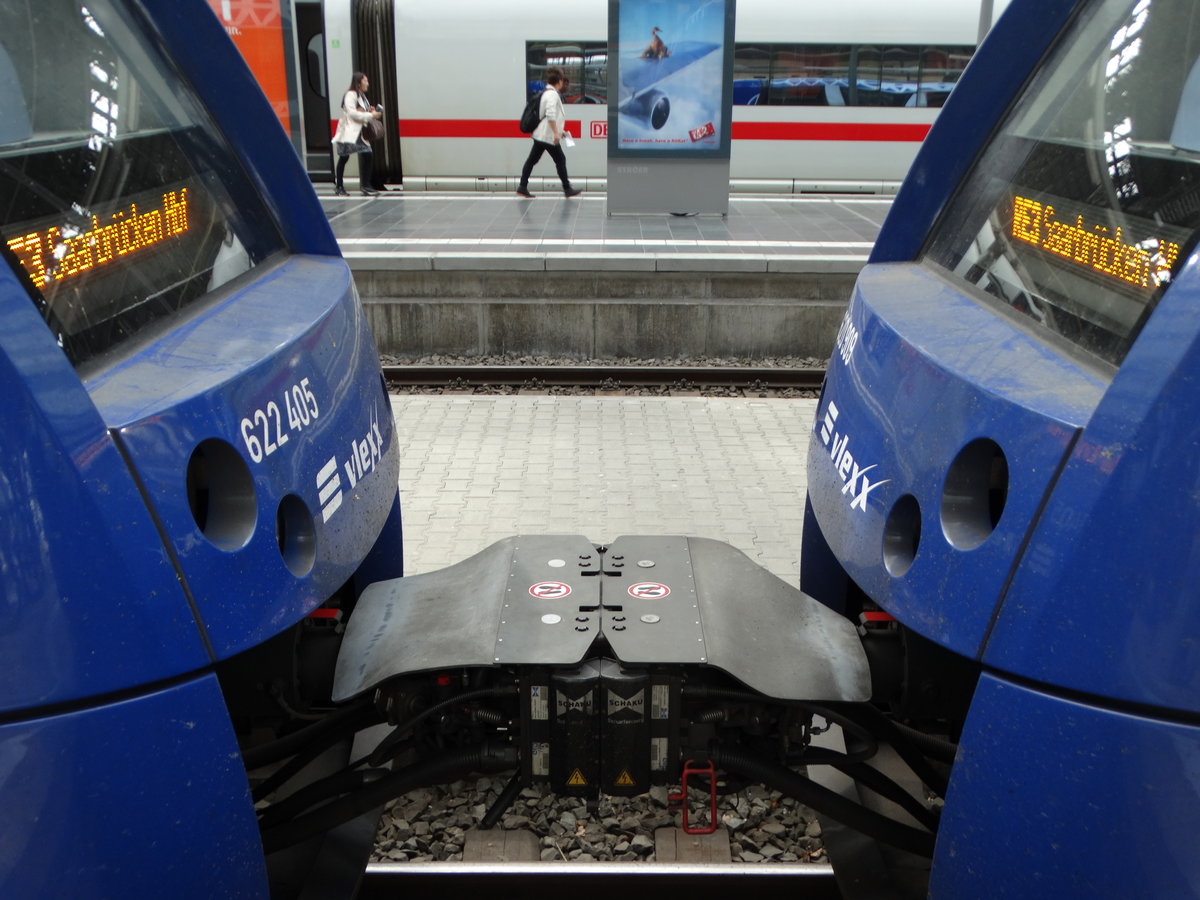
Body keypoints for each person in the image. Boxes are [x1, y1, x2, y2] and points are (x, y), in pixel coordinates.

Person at [516, 67, 581, 199]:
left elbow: (551, 117)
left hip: (542, 135)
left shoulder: (546, 92)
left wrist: (561, 132)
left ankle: (522, 186)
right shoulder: (552, 94)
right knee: (560, 159)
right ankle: (567, 188)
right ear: (559, 81)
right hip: (547, 136)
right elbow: (550, 115)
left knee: (532, 160)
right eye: (563, 81)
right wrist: (556, 133)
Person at [332, 72, 384, 196]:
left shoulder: (361, 95)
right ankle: (340, 186)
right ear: (358, 82)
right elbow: (352, 113)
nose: (367, 83)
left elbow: (360, 111)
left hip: (358, 132)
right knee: (344, 157)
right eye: (365, 81)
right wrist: (371, 114)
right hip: (348, 131)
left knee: (367, 154)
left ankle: (366, 185)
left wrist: (370, 110)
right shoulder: (350, 95)